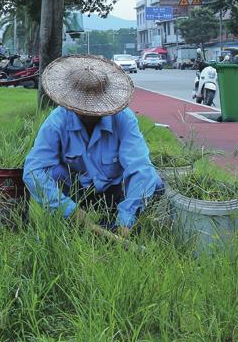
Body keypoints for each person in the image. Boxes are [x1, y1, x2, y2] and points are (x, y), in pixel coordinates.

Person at [23, 56, 163, 237]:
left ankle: (118, 222)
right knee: (52, 172)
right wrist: (68, 210)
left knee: (155, 182)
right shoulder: (56, 121)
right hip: (75, 192)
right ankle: (71, 223)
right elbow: (34, 171)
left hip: (113, 190)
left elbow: (141, 168)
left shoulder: (124, 119)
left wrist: (126, 218)